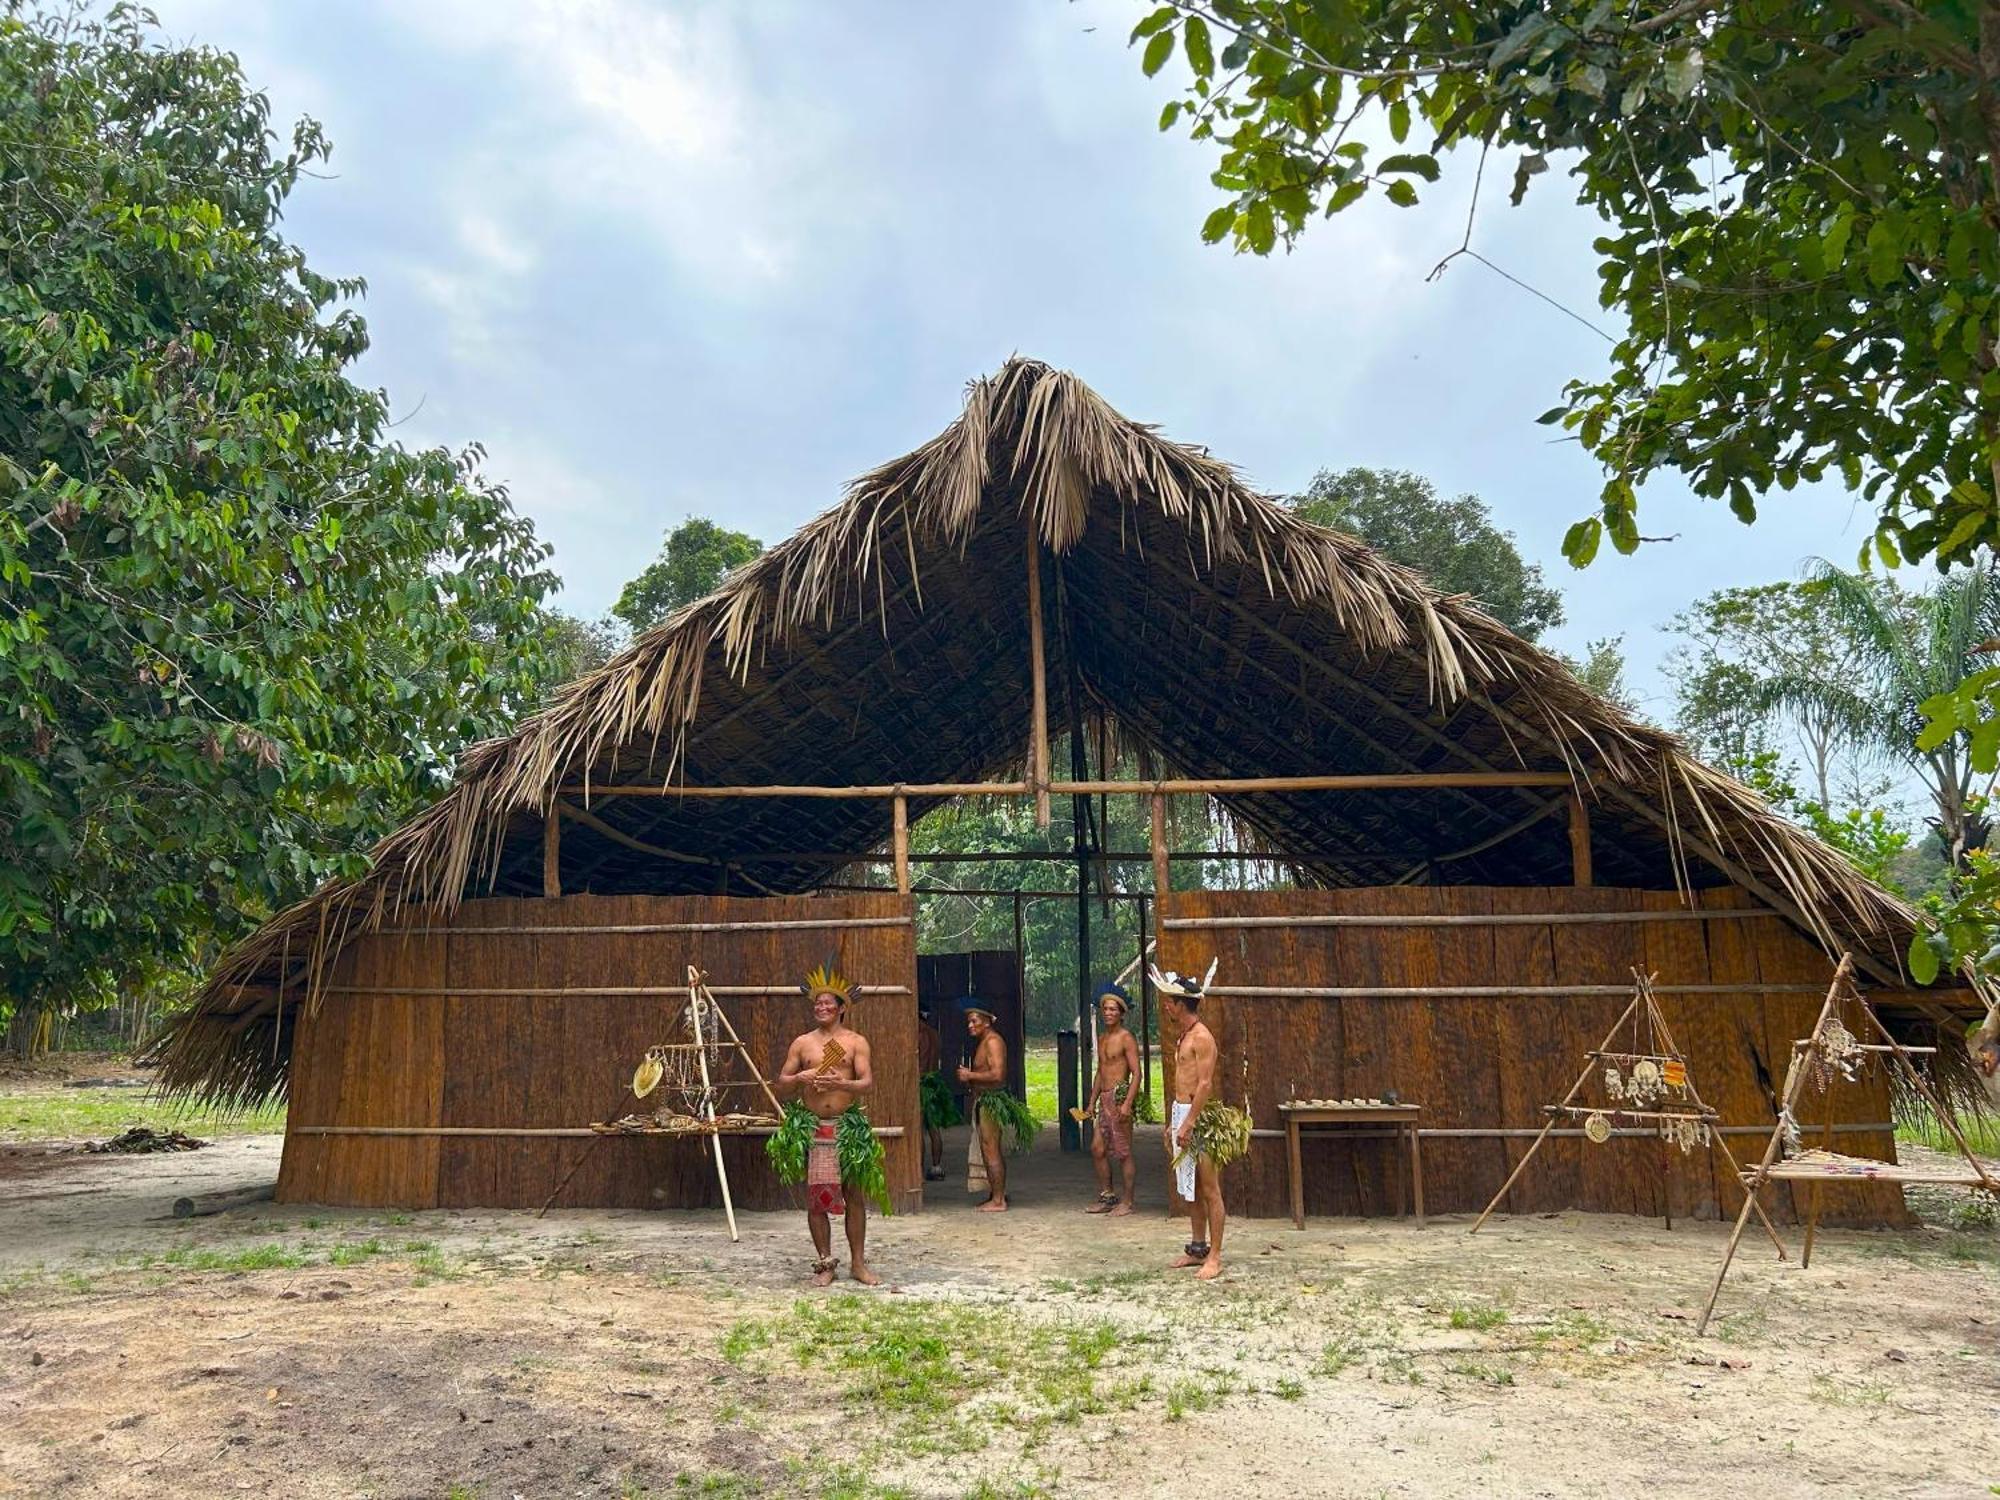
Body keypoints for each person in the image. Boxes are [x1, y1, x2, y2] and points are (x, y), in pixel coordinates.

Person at [777, 962, 880, 1286]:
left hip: (846, 1126)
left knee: (854, 1194)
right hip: (814, 1126)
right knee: (817, 1197)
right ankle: (825, 1264)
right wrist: (800, 1077)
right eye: (817, 1003)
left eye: (827, 1003)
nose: (821, 1007)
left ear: (840, 1008)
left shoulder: (854, 1042)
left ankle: (858, 1264)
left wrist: (843, 1084)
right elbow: (781, 1082)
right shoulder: (802, 1043)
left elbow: (866, 1083)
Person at [1158, 964, 1225, 1280]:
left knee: (1210, 1188)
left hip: (1199, 1118)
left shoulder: (1202, 1037)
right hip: (1183, 1114)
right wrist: (1174, 1121)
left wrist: (1190, 1122)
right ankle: (1198, 1248)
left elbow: (1205, 1084)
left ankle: (1216, 1255)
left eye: (1169, 1002)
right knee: (1192, 1189)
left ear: (1180, 1004)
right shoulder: (1183, 1036)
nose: (1166, 1007)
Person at [1084, 982, 1140, 1216]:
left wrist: (1127, 1102)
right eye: (1105, 1009)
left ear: (1121, 1013)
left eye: (1113, 1010)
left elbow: (1137, 1073)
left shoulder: (1126, 1038)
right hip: (1104, 1098)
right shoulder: (1103, 1038)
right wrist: (1091, 1102)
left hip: (1119, 1098)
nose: (1108, 1013)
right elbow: (1101, 1071)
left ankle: (1127, 1201)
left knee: (1123, 1152)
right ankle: (1107, 1196)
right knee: (1097, 1149)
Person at [956, 1000, 1011, 1212]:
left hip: (991, 1100)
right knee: (989, 1149)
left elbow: (998, 1074)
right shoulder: (984, 1041)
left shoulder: (993, 1042)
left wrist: (970, 1075)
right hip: (984, 1100)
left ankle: (999, 1200)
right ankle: (996, 1195)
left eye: (974, 1021)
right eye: (969, 1021)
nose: (970, 1025)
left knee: (991, 1149)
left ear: (986, 1021)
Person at [916, 1001, 948, 1181]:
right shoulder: (935, 1035)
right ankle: (936, 1167)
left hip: (921, 1082)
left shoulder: (918, 1035)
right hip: (934, 1082)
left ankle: (918, 1171)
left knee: (918, 1128)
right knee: (934, 1128)